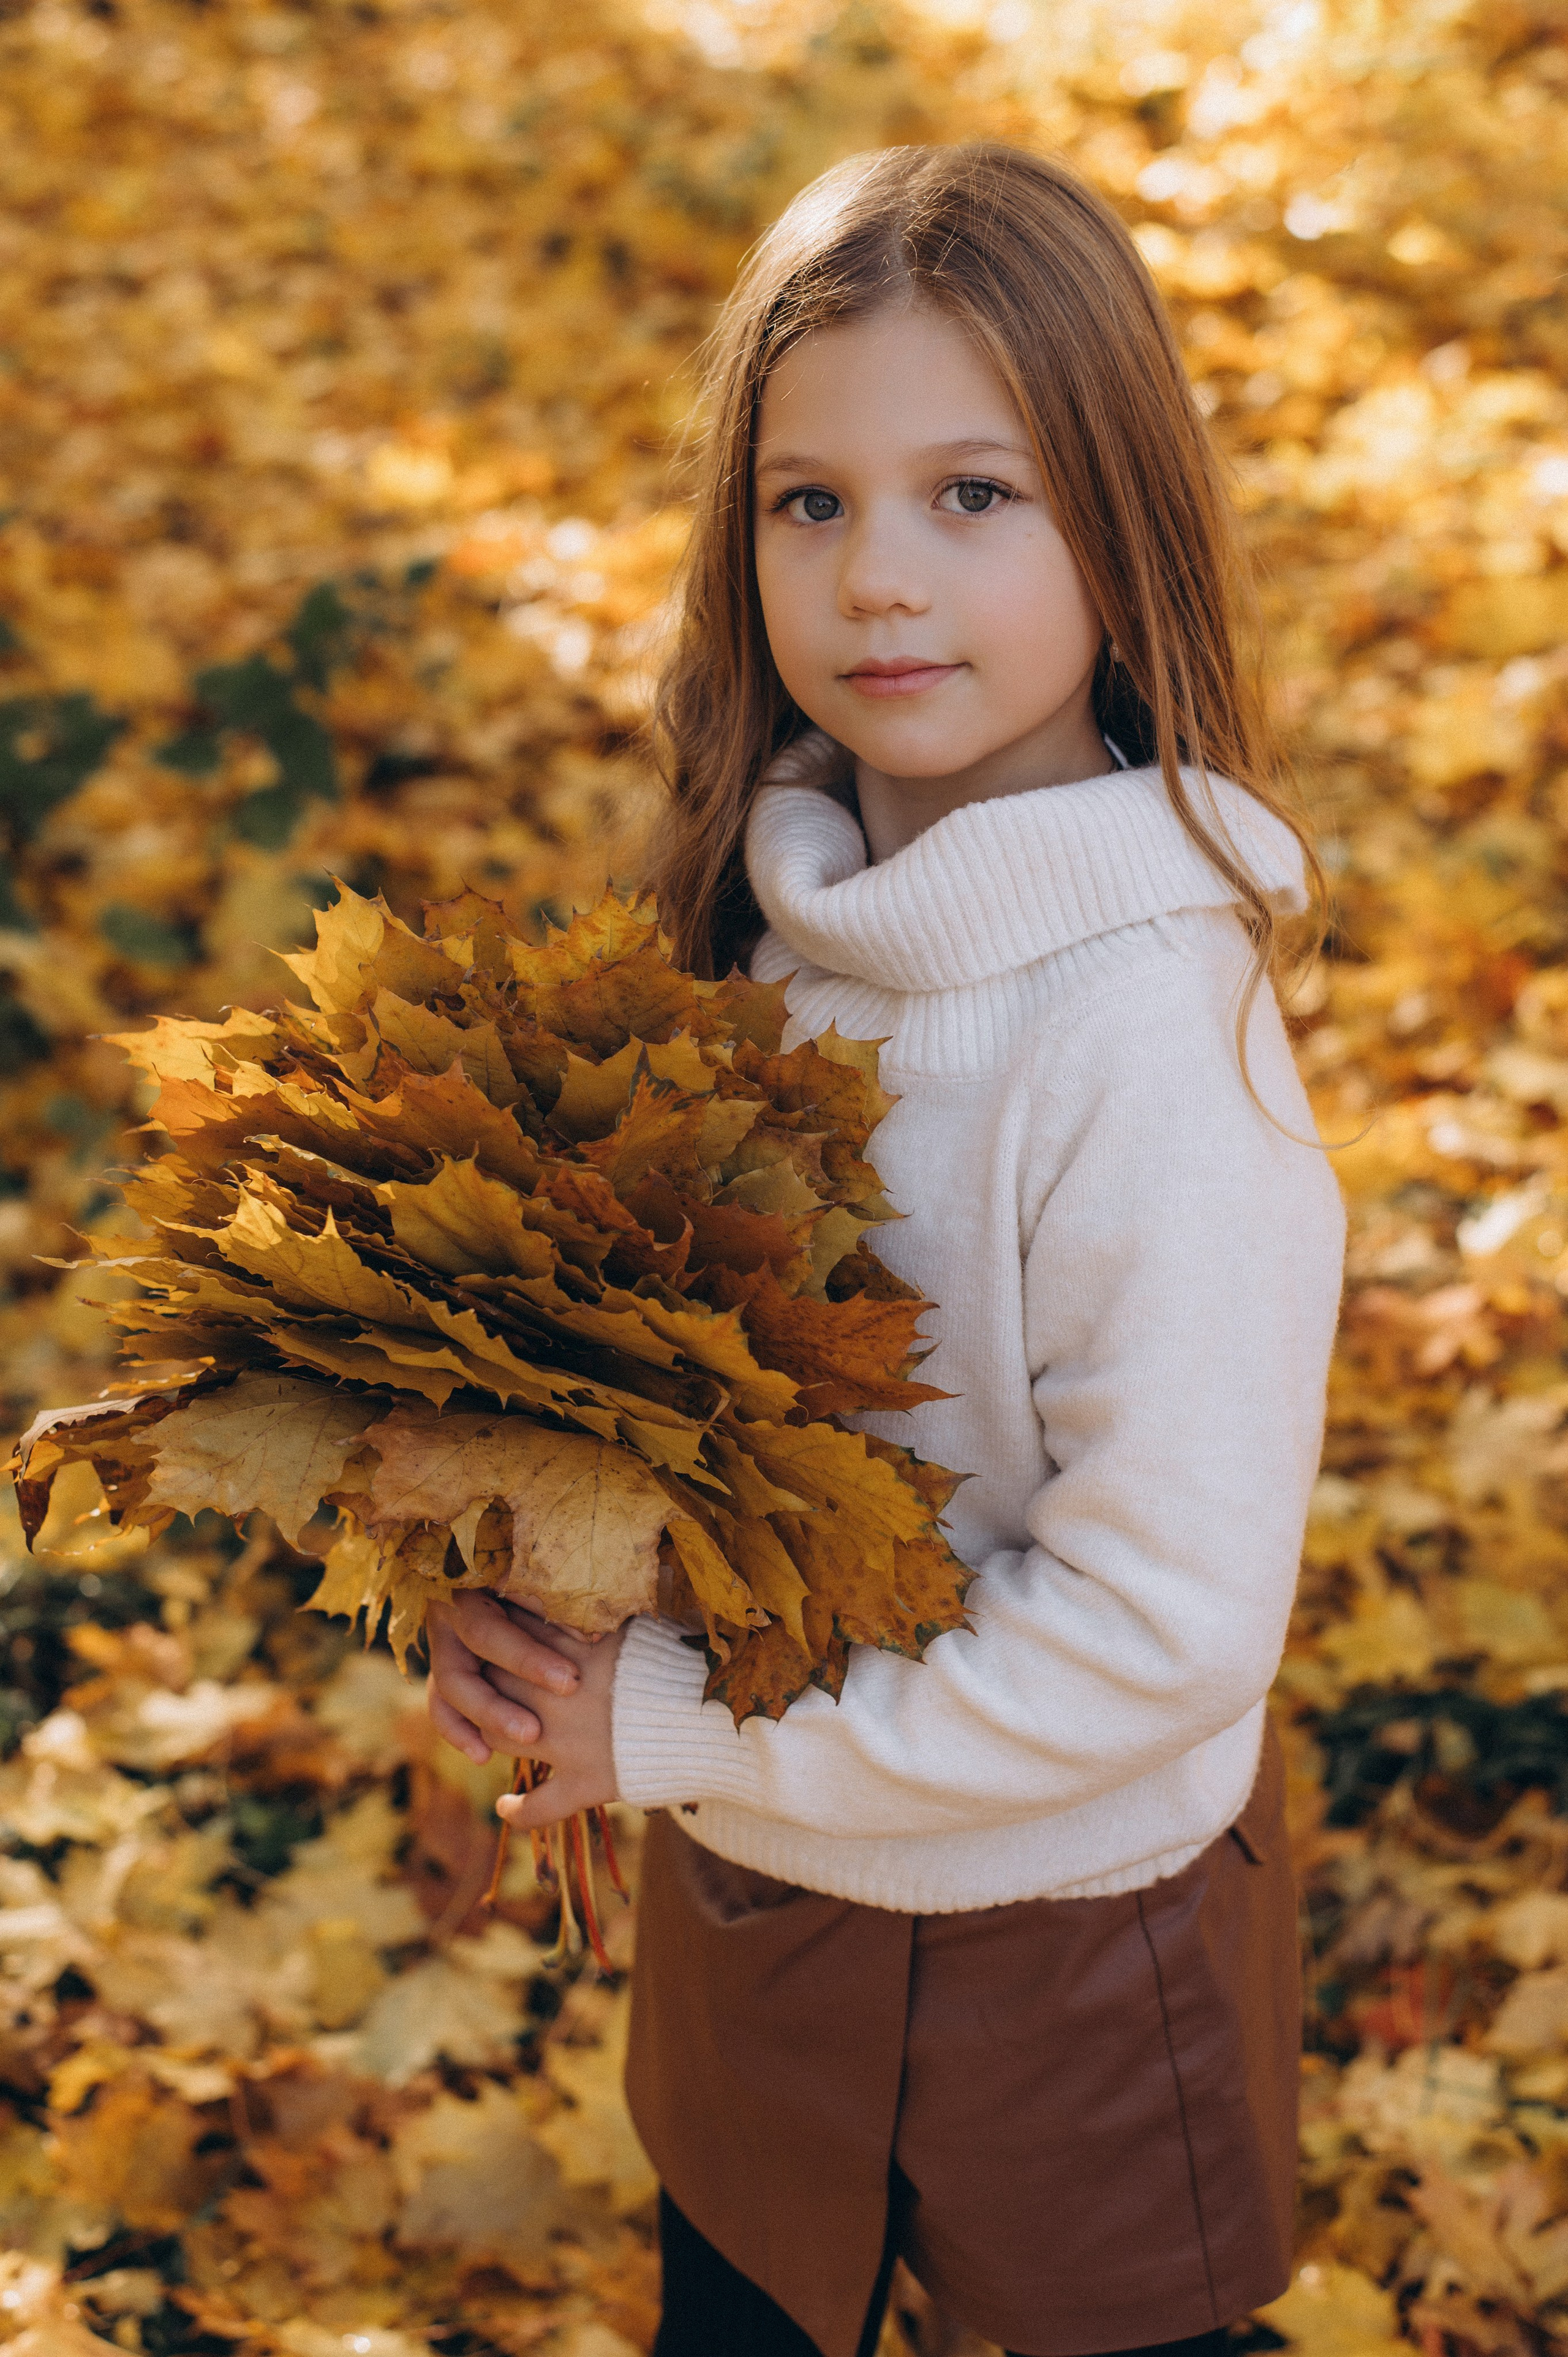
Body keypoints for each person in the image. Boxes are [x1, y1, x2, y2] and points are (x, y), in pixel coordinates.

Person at [425, 143, 1346, 2357]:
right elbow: (692, 1427)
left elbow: (1159, 1628)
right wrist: (539, 1598)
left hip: (1065, 1958)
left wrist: (676, 1735)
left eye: (976, 494)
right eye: (807, 503)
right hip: (758, 1917)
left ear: (1123, 522)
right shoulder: (764, 941)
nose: (878, 583)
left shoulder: (1149, 1042)